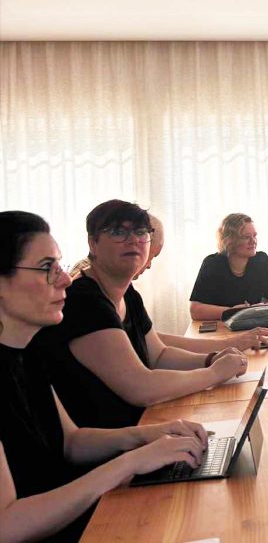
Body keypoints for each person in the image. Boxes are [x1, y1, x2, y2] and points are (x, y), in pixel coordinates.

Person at [0, 211, 211, 543]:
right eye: (46, 269)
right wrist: (129, 464)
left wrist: (147, 436)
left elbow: (71, 442)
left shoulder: (26, 353)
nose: (65, 279)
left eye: (59, 266)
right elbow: (7, 524)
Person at [34, 201, 248, 430]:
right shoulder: (83, 299)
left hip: (140, 430)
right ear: (92, 243)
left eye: (140, 232)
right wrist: (213, 373)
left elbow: (159, 355)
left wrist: (210, 359)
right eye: (118, 232)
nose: (133, 240)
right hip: (107, 447)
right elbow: (141, 388)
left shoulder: (127, 293)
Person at [76, 214, 268, 353]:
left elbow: (154, 345)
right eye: (151, 256)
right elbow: (139, 380)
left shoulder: (127, 292)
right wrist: (218, 358)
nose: (149, 265)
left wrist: (225, 348)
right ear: (93, 243)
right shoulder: (86, 290)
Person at [188, 213, 268, 322]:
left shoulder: (262, 260)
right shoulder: (212, 264)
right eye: (246, 237)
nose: (253, 241)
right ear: (229, 240)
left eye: (254, 235)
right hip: (221, 329)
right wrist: (232, 311)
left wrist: (264, 307)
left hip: (254, 325)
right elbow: (195, 310)